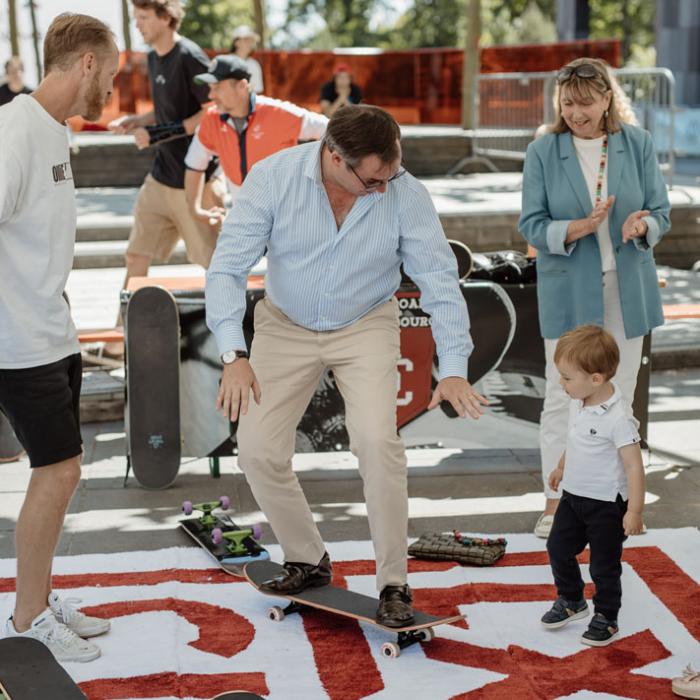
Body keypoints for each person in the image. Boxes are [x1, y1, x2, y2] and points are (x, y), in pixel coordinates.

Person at [206, 104, 488, 627]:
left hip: (366, 323)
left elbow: (441, 283)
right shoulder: (273, 178)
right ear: (334, 157)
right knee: (257, 451)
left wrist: (452, 367)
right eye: (374, 179)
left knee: (378, 445)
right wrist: (233, 354)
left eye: (391, 174)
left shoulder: (404, 192)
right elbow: (226, 269)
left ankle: (393, 584)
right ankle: (307, 558)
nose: (385, 187)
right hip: (283, 325)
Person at [0, 13, 119, 661]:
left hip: (51, 330)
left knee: (61, 473)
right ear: (87, 65)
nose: (112, 93)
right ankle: (26, 620)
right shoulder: (15, 130)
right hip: (18, 341)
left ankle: (40, 597)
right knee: (59, 471)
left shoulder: (49, 129)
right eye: (113, 75)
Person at [519, 57, 671, 539]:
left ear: (607, 98)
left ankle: (617, 501)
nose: (575, 113)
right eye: (567, 103)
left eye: (585, 102)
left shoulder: (638, 144)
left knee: (617, 397)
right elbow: (531, 225)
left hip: (627, 289)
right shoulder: (543, 150)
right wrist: (578, 228)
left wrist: (642, 225)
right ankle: (554, 502)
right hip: (568, 291)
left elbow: (662, 211)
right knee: (562, 397)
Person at [108, 0, 225, 289]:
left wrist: (158, 133)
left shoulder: (190, 56)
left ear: (165, 18)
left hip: (197, 181)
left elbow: (214, 109)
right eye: (135, 18)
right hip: (160, 179)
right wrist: (138, 120)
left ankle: (231, 329)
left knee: (217, 265)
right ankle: (125, 327)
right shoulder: (153, 57)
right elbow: (168, 110)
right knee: (136, 255)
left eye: (144, 17)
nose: (138, 24)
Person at [541, 325, 644, 647]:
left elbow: (634, 466)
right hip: (573, 496)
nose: (562, 383)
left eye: (567, 377)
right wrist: (561, 466)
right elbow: (576, 438)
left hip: (606, 504)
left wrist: (635, 511)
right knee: (557, 548)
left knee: (603, 565)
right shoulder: (579, 402)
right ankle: (572, 599)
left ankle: (607, 617)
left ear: (595, 379)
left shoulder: (618, 418)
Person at [184, 54, 328, 226]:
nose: (211, 95)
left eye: (218, 88)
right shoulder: (211, 120)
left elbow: (331, 129)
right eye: (210, 88)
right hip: (245, 215)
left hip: (289, 215)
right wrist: (194, 209)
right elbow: (194, 164)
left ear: (242, 86)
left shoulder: (277, 112)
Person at [230, 25, 263, 94]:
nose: (250, 43)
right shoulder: (224, 62)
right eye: (246, 40)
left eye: (251, 40)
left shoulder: (254, 65)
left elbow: (256, 93)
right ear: (236, 42)